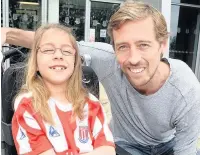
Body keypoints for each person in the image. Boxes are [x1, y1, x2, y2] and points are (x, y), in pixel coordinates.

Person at [2, 1, 200, 155]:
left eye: (143, 45)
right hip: (126, 145)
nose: (133, 58)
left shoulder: (186, 90)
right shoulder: (108, 61)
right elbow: (56, 43)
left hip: (169, 146)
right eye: (123, 46)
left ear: (163, 44)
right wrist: (7, 33)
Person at [11, 24, 115, 155]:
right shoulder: (28, 106)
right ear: (36, 63)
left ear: (75, 63)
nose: (58, 55)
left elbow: (107, 150)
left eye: (67, 51)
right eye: (48, 50)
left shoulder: (91, 103)